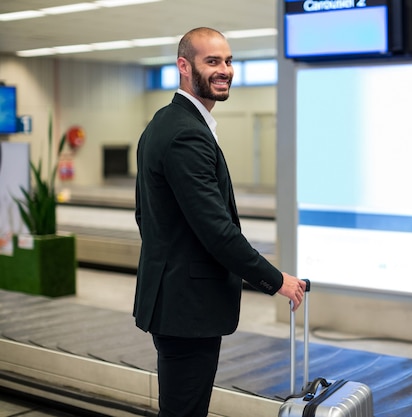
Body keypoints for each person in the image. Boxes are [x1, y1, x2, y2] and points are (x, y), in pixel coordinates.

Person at [133, 27, 307, 417]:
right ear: (183, 66)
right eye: (212, 61)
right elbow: (217, 230)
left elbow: (146, 215)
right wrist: (276, 280)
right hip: (187, 308)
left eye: (228, 61)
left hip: (176, 301)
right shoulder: (185, 135)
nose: (225, 69)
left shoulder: (164, 123)